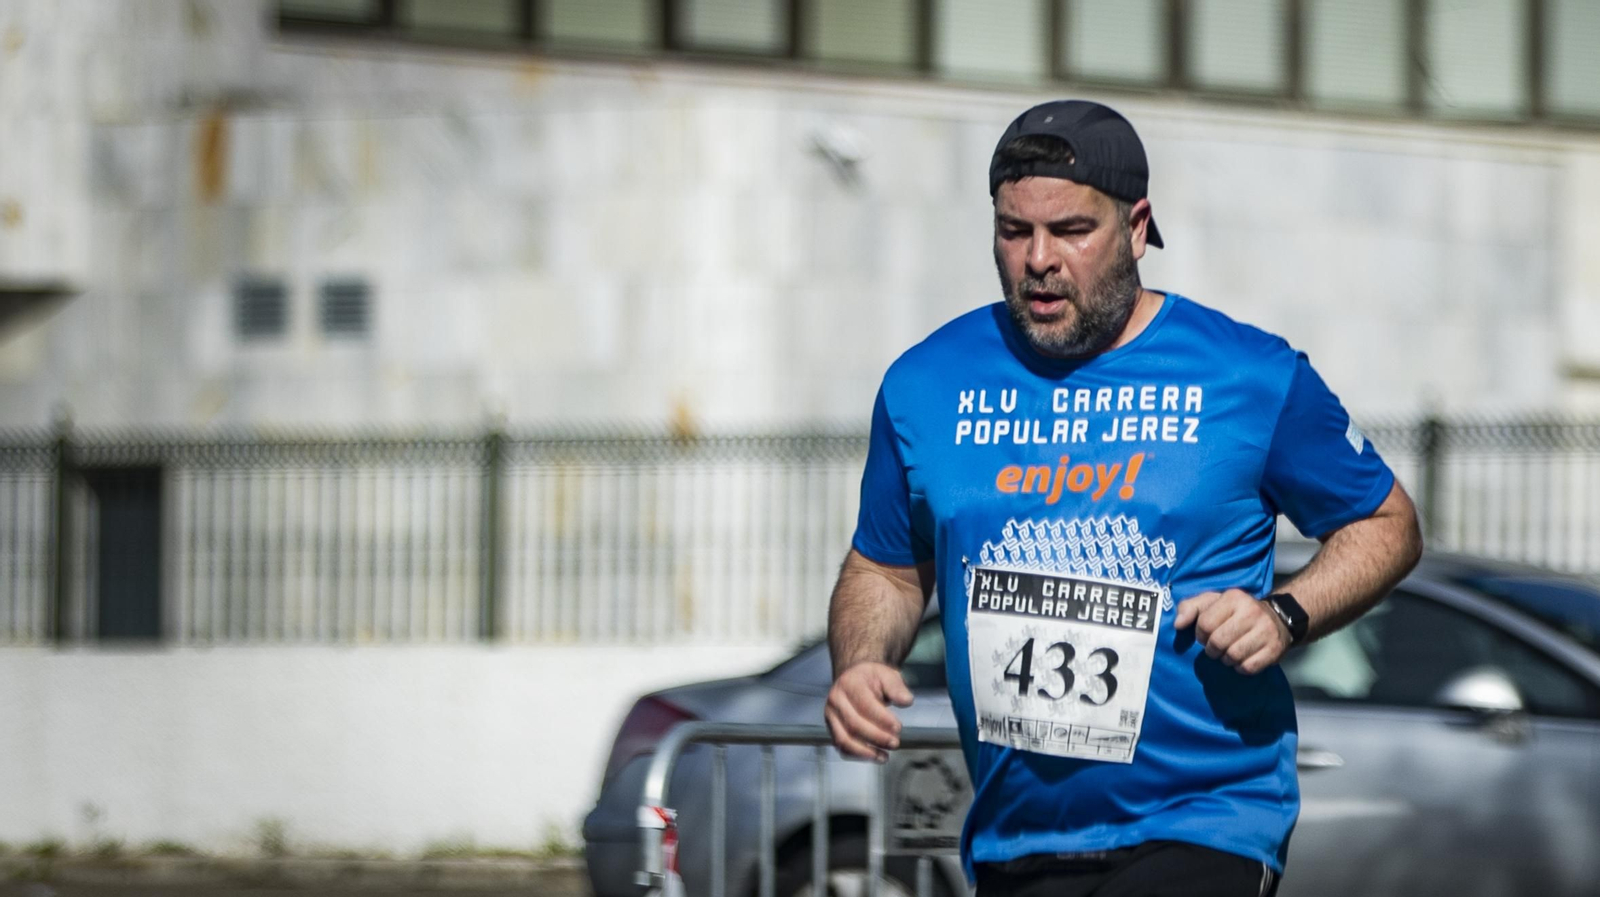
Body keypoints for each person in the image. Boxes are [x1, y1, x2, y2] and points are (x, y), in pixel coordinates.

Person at [822, 99, 1423, 897]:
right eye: (1013, 231)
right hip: (1016, 836)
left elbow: (1385, 522)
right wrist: (861, 665)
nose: (1038, 258)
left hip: (1203, 817)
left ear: (1137, 228)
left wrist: (1285, 613)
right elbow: (888, 569)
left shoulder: (1248, 377)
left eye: (1071, 230)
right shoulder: (926, 384)